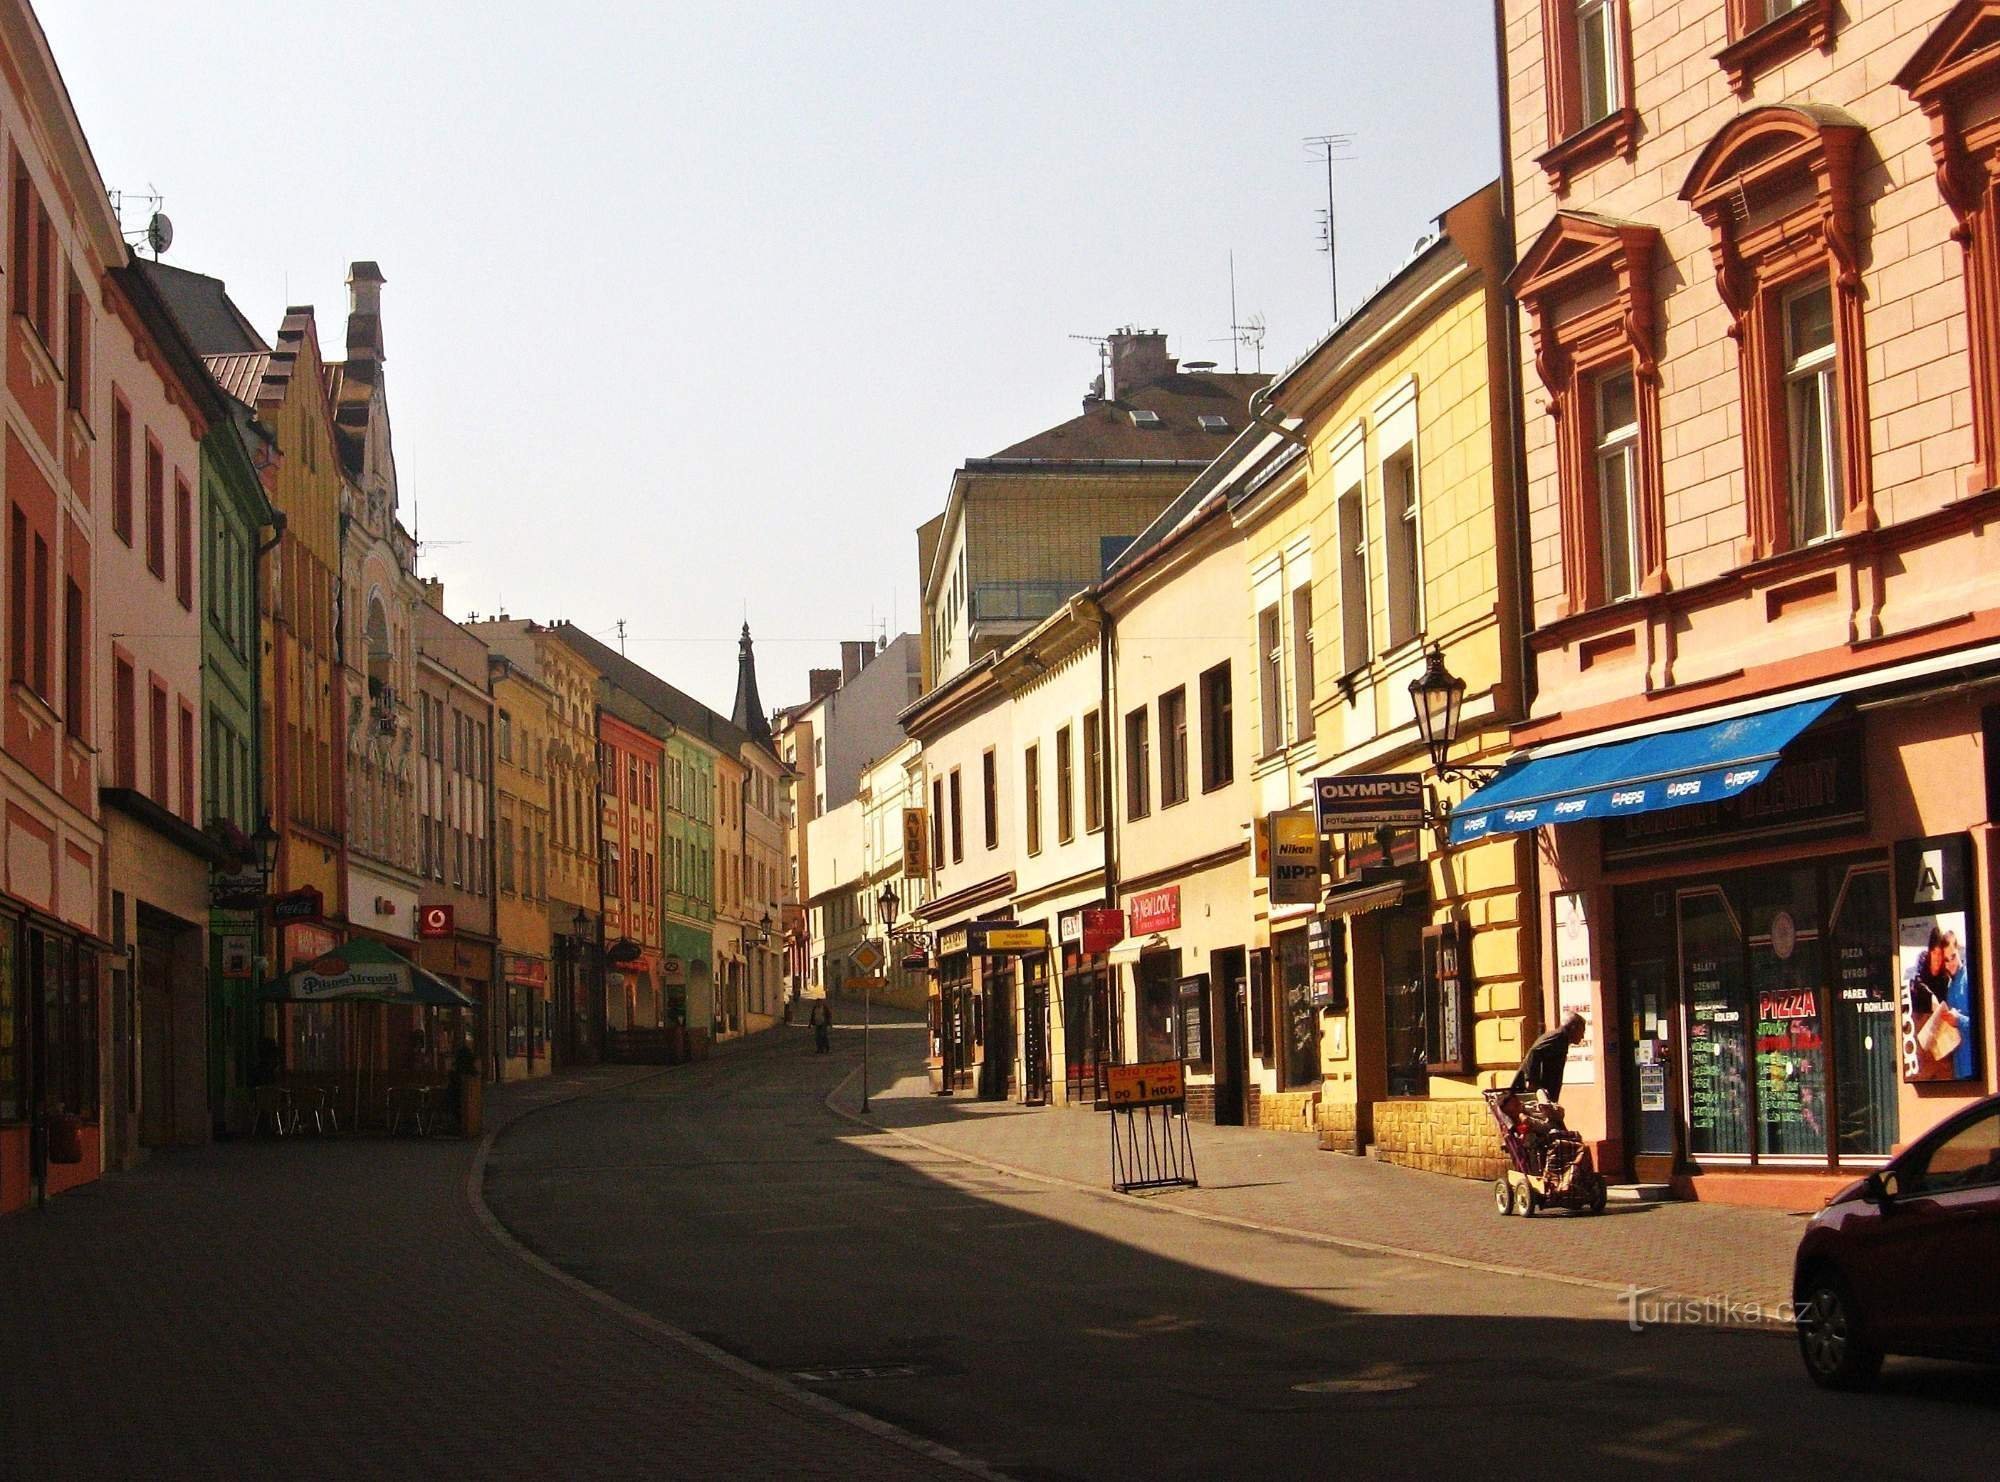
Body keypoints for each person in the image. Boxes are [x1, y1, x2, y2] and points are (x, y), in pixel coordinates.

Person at [1510, 1012, 1587, 1106]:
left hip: (1546, 1096)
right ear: (1573, 1028)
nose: (1582, 1036)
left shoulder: (1562, 1039)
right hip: (1536, 1096)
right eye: (1582, 1031)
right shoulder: (1558, 1037)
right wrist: (1532, 1081)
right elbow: (1535, 1051)